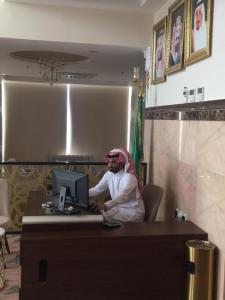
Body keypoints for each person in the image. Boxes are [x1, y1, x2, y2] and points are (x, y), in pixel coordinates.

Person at [89, 148, 145, 222]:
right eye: (108, 162)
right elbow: (97, 189)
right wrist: (82, 194)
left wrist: (105, 205)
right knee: (95, 216)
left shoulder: (129, 177)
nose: (109, 165)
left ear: (121, 163)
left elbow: (123, 197)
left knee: (101, 221)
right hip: (118, 207)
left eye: (113, 162)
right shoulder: (109, 174)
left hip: (132, 211)